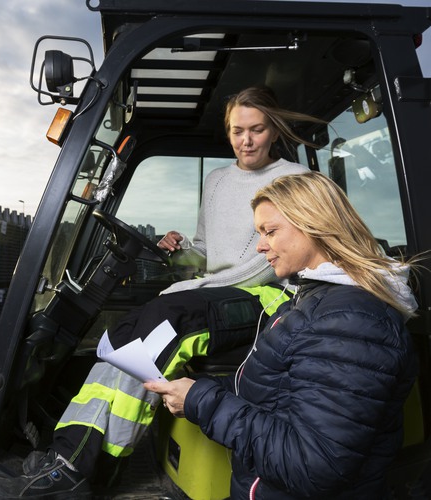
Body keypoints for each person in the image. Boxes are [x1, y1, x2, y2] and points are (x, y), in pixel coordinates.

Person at [0, 86, 324, 500]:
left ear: (273, 130)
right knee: (124, 335)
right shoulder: (217, 181)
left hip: (266, 297)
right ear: (228, 131)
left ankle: (74, 467)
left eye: (257, 130)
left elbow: (272, 257)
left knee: (166, 322)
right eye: (237, 131)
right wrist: (182, 251)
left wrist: (199, 286)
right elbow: (206, 252)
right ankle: (76, 462)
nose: (246, 140)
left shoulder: (296, 180)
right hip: (214, 292)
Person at [145, 171, 419, 499]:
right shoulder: (313, 299)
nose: (261, 246)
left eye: (270, 231)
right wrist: (196, 390)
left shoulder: (351, 321)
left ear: (314, 224)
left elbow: (312, 465)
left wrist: (202, 403)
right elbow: (268, 392)